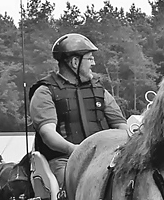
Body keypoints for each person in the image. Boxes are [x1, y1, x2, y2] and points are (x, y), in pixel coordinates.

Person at [29, 33, 128, 188]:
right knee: (76, 188)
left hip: (103, 158)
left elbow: (121, 126)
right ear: (75, 62)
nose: (93, 63)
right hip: (64, 160)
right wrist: (77, 151)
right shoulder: (44, 92)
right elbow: (48, 134)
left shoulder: (99, 91)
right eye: (90, 58)